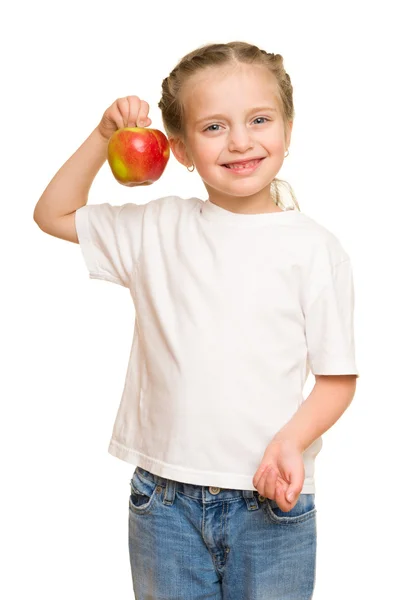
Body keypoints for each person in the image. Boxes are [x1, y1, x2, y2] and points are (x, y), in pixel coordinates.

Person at [33, 41, 359, 600]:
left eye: (259, 120)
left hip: (273, 503)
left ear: (287, 128)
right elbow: (52, 213)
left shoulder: (313, 248)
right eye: (213, 127)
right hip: (164, 504)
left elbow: (337, 379)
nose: (239, 141)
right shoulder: (155, 229)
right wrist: (102, 138)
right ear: (178, 149)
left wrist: (291, 440)